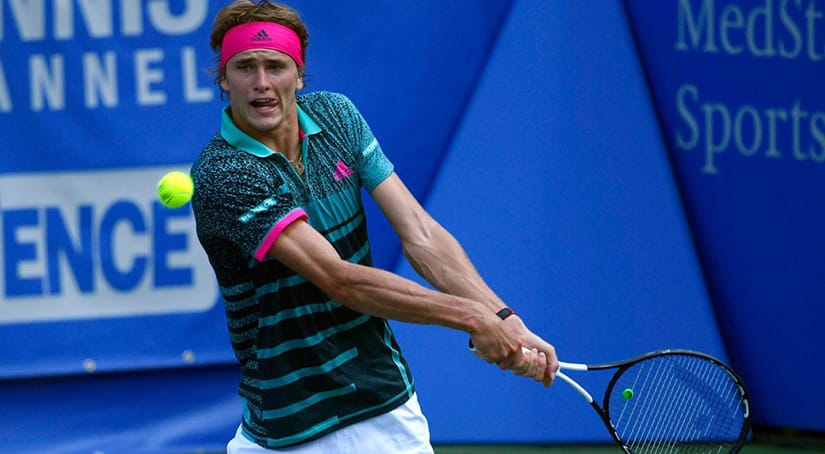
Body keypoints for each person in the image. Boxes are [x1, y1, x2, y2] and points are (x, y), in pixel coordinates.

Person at [190, 1, 559, 452]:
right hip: (290, 426)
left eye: (276, 66)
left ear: (299, 75)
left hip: (385, 408)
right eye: (245, 67)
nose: (262, 83)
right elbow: (339, 280)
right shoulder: (225, 173)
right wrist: (472, 317)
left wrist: (503, 317)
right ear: (224, 79)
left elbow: (420, 234)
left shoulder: (337, 117)